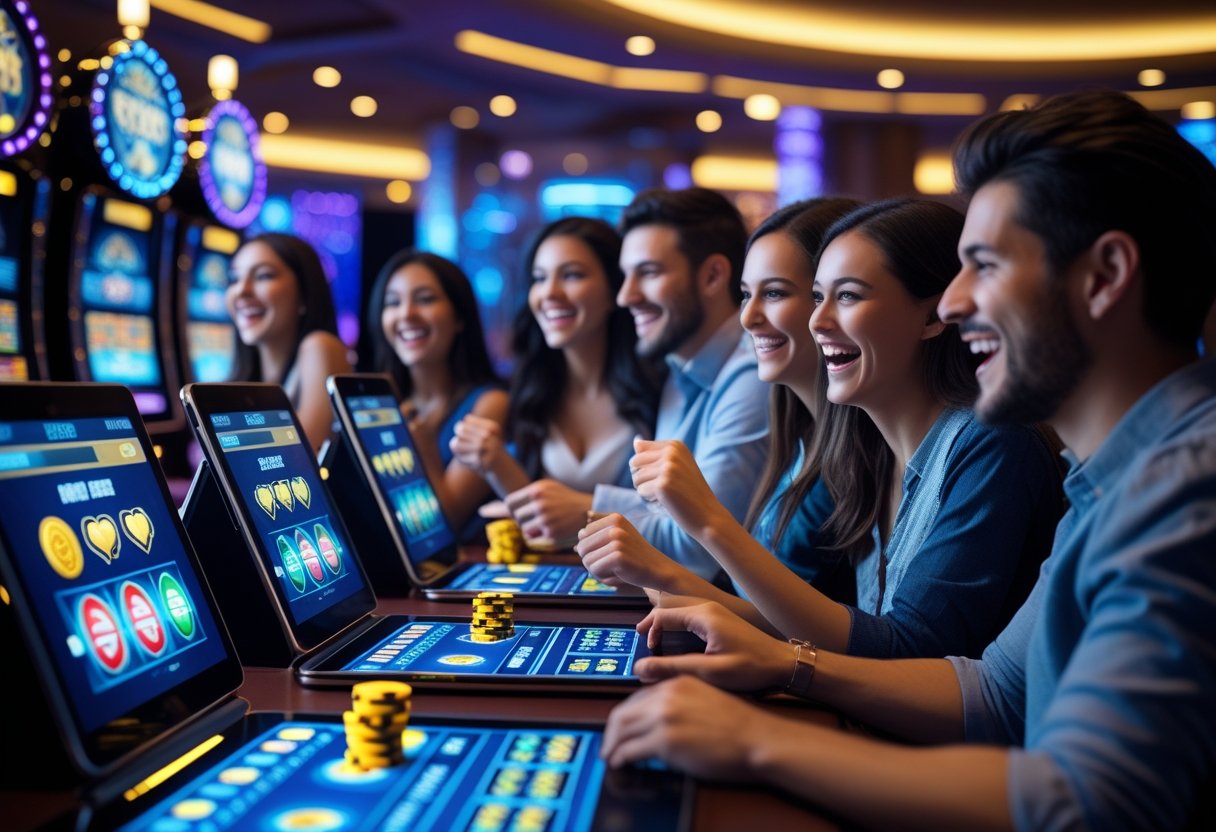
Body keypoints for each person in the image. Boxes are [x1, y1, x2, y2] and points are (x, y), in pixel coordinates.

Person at [601, 90, 1216, 830]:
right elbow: (994, 693)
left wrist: (758, 742)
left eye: (982, 265)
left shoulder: (1188, 487)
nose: (953, 303)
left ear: (1107, 274)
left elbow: (1087, 803)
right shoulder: (1113, 480)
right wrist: (789, 665)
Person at [581, 199, 1061, 660]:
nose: (818, 321)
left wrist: (707, 525)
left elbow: (908, 651)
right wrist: (668, 580)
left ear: (934, 315)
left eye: (847, 295)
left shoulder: (992, 443)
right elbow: (850, 628)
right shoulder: (881, 450)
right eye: (816, 297)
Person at [573, 197, 860, 623]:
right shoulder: (795, 428)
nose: (748, 318)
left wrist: (656, 565)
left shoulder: (759, 382)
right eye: (747, 295)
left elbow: (851, 637)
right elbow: (759, 601)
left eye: (775, 292)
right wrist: (659, 574)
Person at [501, 187, 770, 578]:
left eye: (648, 273)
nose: (626, 296)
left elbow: (699, 549)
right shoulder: (679, 369)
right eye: (626, 276)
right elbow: (659, 509)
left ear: (713, 275)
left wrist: (586, 512)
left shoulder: (751, 374)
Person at [448, 218, 660, 507]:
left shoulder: (660, 389)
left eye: (571, 275)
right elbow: (541, 525)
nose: (549, 293)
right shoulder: (525, 394)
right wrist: (498, 467)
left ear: (615, 290)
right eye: (539, 278)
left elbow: (667, 521)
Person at [367, 249, 508, 533]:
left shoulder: (490, 403)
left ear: (459, 317)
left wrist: (424, 452)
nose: (406, 314)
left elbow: (448, 521)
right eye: (393, 302)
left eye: (425, 299)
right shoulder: (378, 403)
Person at [227, 232, 352, 452]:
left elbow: (298, 461)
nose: (241, 291)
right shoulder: (252, 375)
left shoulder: (319, 345)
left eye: (263, 276)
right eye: (234, 279)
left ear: (304, 295)